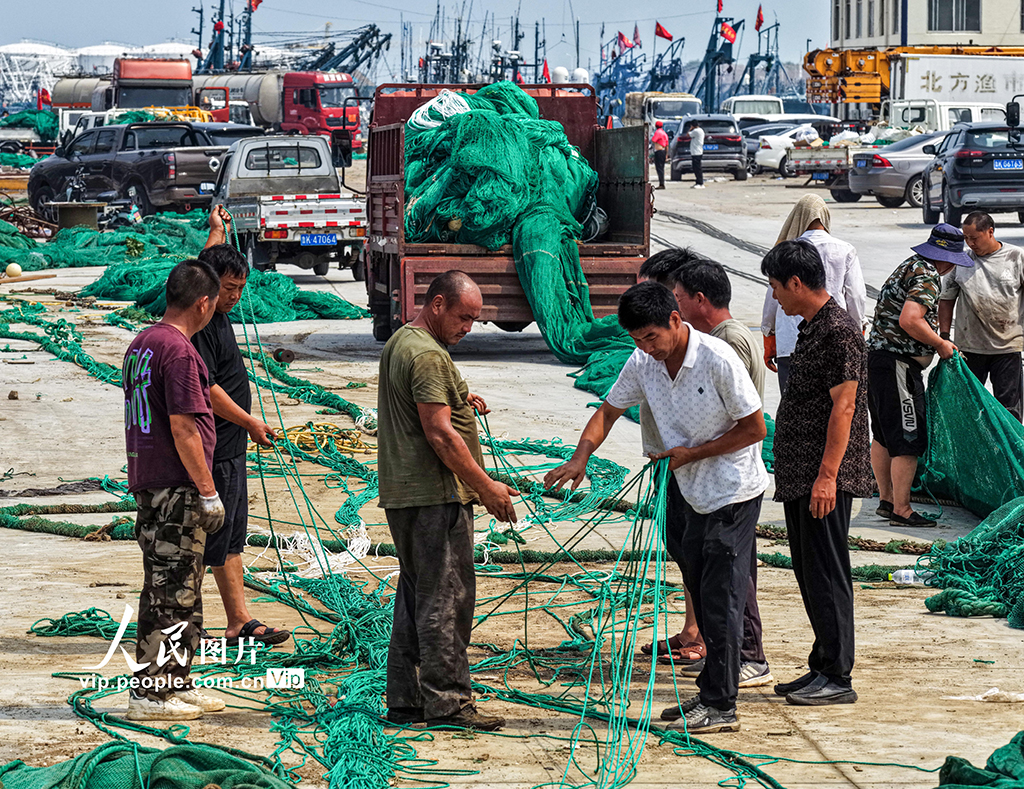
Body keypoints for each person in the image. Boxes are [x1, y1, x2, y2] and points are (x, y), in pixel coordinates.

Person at [546, 281, 768, 734]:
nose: (647, 348)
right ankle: (710, 691)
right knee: (698, 589)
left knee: (722, 597)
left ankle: (723, 706)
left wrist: (694, 453)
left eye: (652, 337)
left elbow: (755, 429)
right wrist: (580, 457)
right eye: (637, 340)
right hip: (681, 488)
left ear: (674, 319)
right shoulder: (642, 362)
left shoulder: (717, 358)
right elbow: (608, 411)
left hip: (731, 492)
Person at [377, 270, 518, 732]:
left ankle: (407, 699)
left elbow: (430, 408)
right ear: (436, 304)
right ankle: (449, 703)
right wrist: (486, 486)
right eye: (463, 317)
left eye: (474, 320)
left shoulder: (404, 341)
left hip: (406, 495)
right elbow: (440, 433)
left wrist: (458, 396)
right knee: (447, 599)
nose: (468, 328)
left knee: (417, 595)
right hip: (434, 495)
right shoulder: (427, 356)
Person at [761, 239, 872, 706]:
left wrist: (827, 476)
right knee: (809, 571)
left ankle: (837, 677)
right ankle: (821, 664)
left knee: (827, 572)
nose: (775, 297)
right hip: (801, 474)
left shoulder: (839, 331)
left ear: (796, 282)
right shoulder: (811, 327)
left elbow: (844, 408)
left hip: (824, 478)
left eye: (775, 287)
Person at [122, 258, 227, 721]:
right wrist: (206, 490)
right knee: (171, 590)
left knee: (177, 585)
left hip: (152, 483)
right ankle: (151, 693)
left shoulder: (143, 343)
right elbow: (184, 426)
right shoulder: (180, 351)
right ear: (203, 304)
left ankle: (174, 684)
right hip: (176, 488)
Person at [667, 260, 771, 689]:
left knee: (731, 575)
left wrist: (693, 451)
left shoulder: (725, 345)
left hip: (730, 480)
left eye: (677, 299)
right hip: (707, 475)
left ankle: (746, 658)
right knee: (717, 570)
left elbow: (742, 421)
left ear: (699, 300)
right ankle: (725, 658)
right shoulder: (719, 339)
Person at [192, 206, 291, 648]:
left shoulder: (212, 299)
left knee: (230, 534)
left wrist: (216, 232)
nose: (236, 296)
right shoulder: (201, 324)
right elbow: (206, 388)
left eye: (241, 287)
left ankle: (238, 620)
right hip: (214, 446)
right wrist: (251, 421)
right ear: (208, 292)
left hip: (231, 446)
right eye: (229, 289)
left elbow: (207, 263)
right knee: (209, 538)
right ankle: (192, 621)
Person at [867, 225, 971, 528]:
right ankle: (902, 508)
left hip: (879, 361)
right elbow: (910, 318)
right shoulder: (926, 274)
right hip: (898, 364)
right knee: (907, 437)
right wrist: (940, 344)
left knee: (884, 435)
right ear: (949, 259)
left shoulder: (910, 265)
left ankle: (887, 500)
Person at [761, 195, 867, 394]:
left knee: (793, 409)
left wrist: (769, 337)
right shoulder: (844, 250)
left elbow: (772, 297)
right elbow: (857, 296)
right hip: (834, 340)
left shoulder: (786, 251)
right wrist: (857, 331)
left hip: (790, 342)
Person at [939, 211, 1024, 421]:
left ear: (990, 232)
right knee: (969, 409)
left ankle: (1009, 453)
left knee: (1009, 410)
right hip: (969, 347)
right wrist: (943, 336)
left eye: (974, 238)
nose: (970, 243)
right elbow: (946, 300)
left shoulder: (1016, 257)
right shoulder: (961, 262)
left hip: (1007, 347)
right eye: (965, 238)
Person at [652, 120, 669, 190]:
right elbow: (667, 145)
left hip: (658, 151)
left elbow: (653, 140)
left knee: (659, 168)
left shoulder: (658, 132)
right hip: (663, 151)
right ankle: (662, 183)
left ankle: (661, 184)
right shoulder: (664, 133)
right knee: (662, 168)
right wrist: (666, 154)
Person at [689, 120, 705, 189]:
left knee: (697, 168)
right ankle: (698, 182)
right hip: (697, 151)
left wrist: (691, 129)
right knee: (696, 167)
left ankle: (700, 182)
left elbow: (688, 134)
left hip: (696, 152)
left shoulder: (696, 131)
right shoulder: (700, 130)